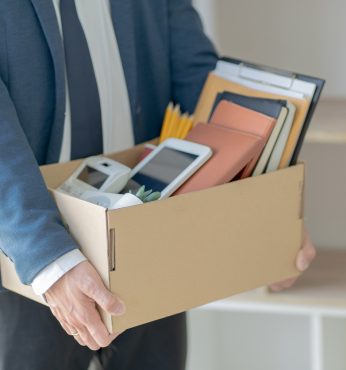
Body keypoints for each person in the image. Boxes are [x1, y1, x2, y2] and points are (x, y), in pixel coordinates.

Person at [0, 1, 317, 369]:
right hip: (25, 256)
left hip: (151, 234)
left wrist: (265, 211)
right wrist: (47, 259)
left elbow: (199, 83)